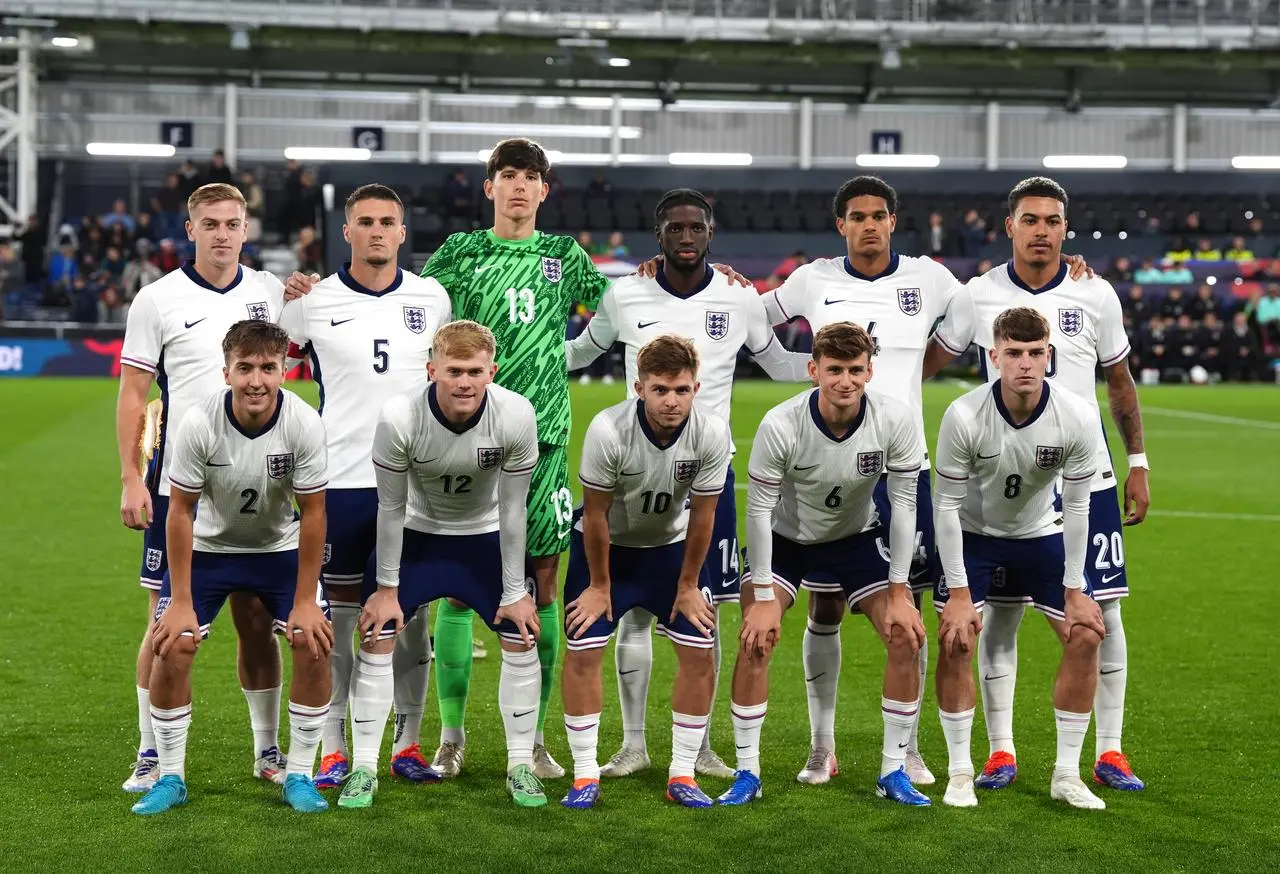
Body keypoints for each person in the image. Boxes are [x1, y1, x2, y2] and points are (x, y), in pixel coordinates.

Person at [563, 189, 808, 781]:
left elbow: (779, 364)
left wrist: (863, 367)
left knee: (705, 612)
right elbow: (579, 353)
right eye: (675, 227)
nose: (686, 236)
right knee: (636, 616)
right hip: (630, 470)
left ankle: (696, 748)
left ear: (711, 232)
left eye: (696, 227)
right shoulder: (625, 294)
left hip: (707, 474)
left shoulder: (737, 295)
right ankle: (633, 744)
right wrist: (517, 359)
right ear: (659, 234)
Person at [923, 175, 1150, 793]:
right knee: (996, 617)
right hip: (1000, 474)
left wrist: (1137, 461)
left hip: (1086, 472)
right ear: (1011, 227)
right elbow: (925, 361)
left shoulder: (1094, 292)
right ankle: (1000, 752)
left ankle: (1110, 750)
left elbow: (1119, 380)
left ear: (1065, 229)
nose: (1042, 230)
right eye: (1031, 219)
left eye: (1052, 220)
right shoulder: (977, 296)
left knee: (1102, 610)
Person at [117, 183, 300, 795]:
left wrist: (303, 292)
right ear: (190, 229)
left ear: (246, 229)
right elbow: (134, 395)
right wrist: (130, 478)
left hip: (260, 479)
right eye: (210, 223)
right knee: (165, 619)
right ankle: (150, 752)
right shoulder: (157, 298)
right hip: (180, 483)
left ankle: (268, 751)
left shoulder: (270, 292)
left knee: (255, 618)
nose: (222, 233)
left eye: (232, 223)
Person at [277, 184, 453, 790]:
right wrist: (285, 294)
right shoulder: (313, 301)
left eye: (388, 222)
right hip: (338, 480)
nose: (377, 231)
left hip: (413, 484)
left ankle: (407, 743)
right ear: (346, 231)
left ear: (403, 233)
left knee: (407, 619)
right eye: (365, 222)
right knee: (341, 622)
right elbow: (269, 362)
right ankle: (332, 746)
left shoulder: (432, 298)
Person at [719, 322, 929, 807]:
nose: (846, 381)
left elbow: (903, 505)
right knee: (755, 637)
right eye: (834, 370)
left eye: (856, 370)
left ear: (870, 371)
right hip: (787, 539)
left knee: (906, 632)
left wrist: (899, 590)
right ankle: (748, 772)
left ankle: (893, 771)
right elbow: (758, 511)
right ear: (814, 371)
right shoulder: (781, 423)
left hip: (856, 537)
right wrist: (766, 596)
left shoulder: (895, 420)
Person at [131, 320, 332, 815]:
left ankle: (298, 773)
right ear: (226, 372)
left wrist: (306, 601)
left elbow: (314, 514)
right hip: (208, 553)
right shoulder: (199, 423)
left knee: (314, 641)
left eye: (268, 367)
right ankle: (170, 776)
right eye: (245, 368)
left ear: (285, 370)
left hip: (277, 551)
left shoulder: (304, 423)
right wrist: (178, 602)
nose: (257, 380)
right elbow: (179, 512)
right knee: (172, 645)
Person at [341, 320, 542, 808]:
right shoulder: (400, 417)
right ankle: (364, 769)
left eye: (475, 371)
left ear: (492, 371)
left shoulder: (515, 415)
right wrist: (387, 589)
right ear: (433, 369)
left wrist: (515, 591)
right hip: (418, 536)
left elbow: (514, 511)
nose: (464, 382)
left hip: (485, 538)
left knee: (522, 634)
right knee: (376, 632)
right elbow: (389, 508)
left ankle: (520, 765)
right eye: (454, 370)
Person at [932, 306, 1107, 810]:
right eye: (1014, 353)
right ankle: (961, 770)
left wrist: (1075, 589)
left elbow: (1077, 505)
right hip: (973, 535)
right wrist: (960, 594)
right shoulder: (964, 415)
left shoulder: (1076, 415)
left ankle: (1066, 774)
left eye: (1035, 353)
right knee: (957, 638)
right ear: (995, 357)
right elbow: (943, 507)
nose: (1025, 364)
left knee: (1088, 633)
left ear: (1049, 356)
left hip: (1038, 534)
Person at [560, 335, 731, 809]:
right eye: (659, 390)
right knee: (583, 650)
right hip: (606, 550)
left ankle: (681, 773)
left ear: (696, 387)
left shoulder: (712, 432)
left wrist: (690, 585)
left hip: (670, 551)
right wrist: (598, 585)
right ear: (639, 387)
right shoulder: (608, 430)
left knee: (699, 651)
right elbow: (594, 515)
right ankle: (583, 774)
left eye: (680, 390)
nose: (671, 400)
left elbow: (703, 514)